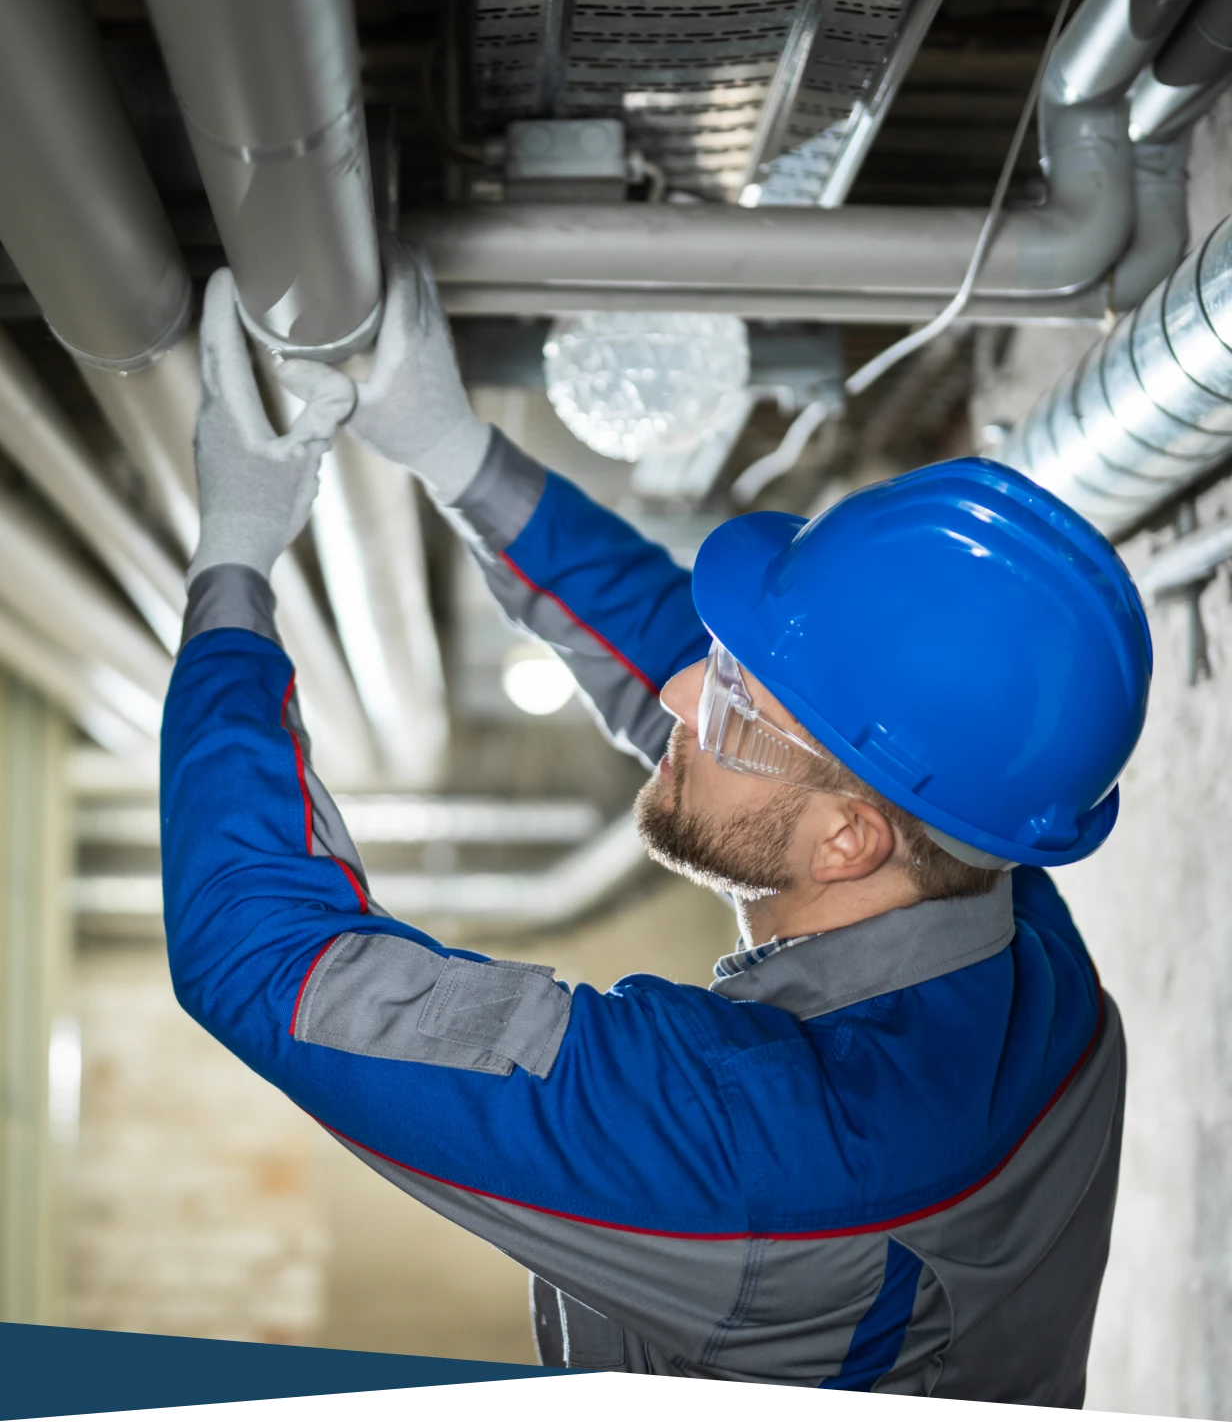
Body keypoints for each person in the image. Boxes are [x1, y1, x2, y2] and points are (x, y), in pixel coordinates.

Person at [159, 244, 1151, 1399]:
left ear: (848, 842)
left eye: (728, 704)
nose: (682, 690)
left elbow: (265, 962)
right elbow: (721, 690)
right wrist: (455, 452)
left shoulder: (760, 1155)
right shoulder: (1006, 909)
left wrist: (230, 565)